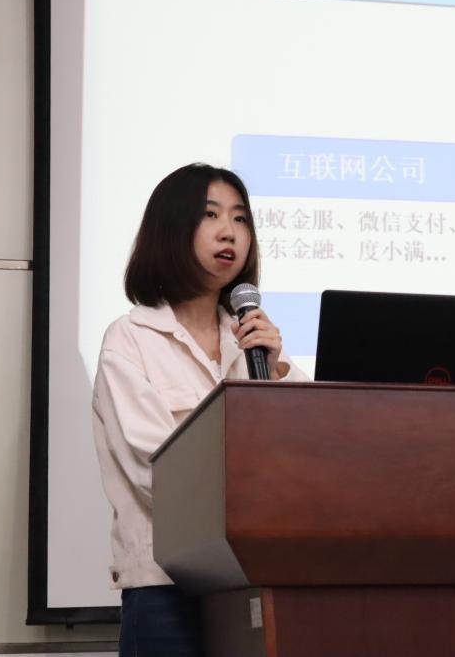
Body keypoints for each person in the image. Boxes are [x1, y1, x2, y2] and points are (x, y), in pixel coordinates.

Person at [91, 163, 308, 656]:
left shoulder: (252, 345)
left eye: (240, 218)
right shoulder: (130, 340)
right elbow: (156, 473)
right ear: (171, 229)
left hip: (252, 579)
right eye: (211, 215)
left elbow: (309, 452)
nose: (229, 232)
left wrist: (276, 371)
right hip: (165, 588)